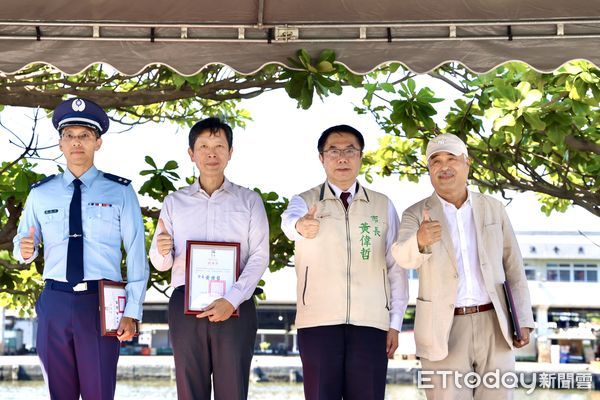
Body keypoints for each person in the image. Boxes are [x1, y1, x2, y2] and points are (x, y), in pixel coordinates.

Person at [13, 97, 149, 400]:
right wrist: (24, 250)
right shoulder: (40, 194)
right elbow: (23, 243)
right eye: (69, 136)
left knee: (99, 393)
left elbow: (137, 253)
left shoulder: (121, 191)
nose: (77, 143)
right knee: (59, 394)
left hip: (100, 304)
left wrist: (133, 310)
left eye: (84, 136)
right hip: (54, 302)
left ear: (98, 142)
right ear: (60, 143)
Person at [392, 133, 534, 400]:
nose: (444, 166)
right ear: (429, 170)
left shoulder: (493, 208)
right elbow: (402, 257)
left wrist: (523, 320)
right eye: (435, 161)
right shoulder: (415, 213)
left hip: (495, 323)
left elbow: (513, 266)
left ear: (467, 163)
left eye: (452, 159)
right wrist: (420, 240)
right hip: (443, 328)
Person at [281, 124, 409, 400]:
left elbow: (395, 267)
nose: (342, 158)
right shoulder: (304, 201)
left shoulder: (382, 205)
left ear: (361, 156)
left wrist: (395, 322)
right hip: (318, 324)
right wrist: (301, 226)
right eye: (334, 151)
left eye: (350, 151)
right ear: (321, 158)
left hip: (371, 325)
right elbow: (288, 223)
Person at [149, 117, 269, 400]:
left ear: (230, 152)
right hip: (186, 305)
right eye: (203, 146)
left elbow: (260, 255)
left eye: (218, 146)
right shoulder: (174, 202)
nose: (211, 153)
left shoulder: (249, 201)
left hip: (235, 306)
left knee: (233, 391)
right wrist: (162, 249)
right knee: (189, 390)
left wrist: (232, 299)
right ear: (191, 153)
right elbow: (161, 263)